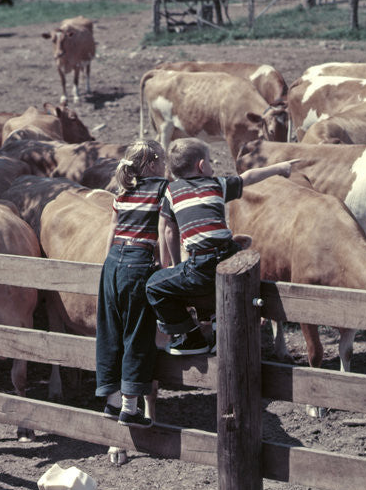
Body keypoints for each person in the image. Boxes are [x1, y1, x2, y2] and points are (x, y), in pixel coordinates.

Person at [146, 137, 296, 356]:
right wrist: (279, 168)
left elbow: (169, 230)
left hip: (201, 263)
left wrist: (174, 265)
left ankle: (191, 337)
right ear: (201, 165)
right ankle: (218, 331)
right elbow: (248, 177)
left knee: (153, 286)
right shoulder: (216, 184)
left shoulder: (172, 191)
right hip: (230, 255)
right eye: (210, 160)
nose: (212, 165)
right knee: (210, 281)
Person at [96, 139, 172, 429]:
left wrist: (108, 265)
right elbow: (164, 230)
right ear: (153, 163)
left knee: (110, 332)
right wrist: (166, 269)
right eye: (162, 161)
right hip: (139, 262)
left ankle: (111, 401)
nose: (165, 167)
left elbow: (113, 229)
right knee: (137, 333)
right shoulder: (163, 189)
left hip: (113, 262)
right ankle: (130, 407)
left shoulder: (123, 191)